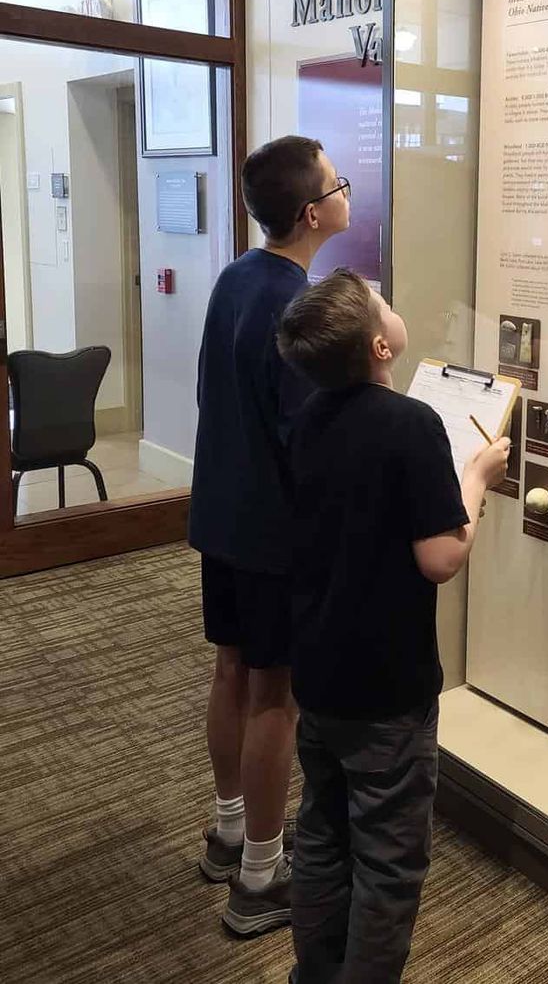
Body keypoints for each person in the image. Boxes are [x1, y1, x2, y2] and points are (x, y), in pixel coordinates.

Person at [276, 270, 509, 983]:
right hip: (386, 689)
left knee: (321, 832)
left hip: (319, 672)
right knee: (388, 860)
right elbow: (441, 557)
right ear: (381, 345)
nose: (391, 306)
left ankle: (316, 973)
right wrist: (478, 478)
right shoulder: (412, 425)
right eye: (383, 305)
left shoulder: (307, 418)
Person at [189, 135, 351, 936]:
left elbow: (213, 395)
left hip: (221, 518)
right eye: (337, 183)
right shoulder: (297, 305)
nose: (345, 191)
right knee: (274, 698)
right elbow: (306, 440)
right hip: (270, 537)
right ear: (312, 213)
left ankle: (228, 831)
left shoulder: (235, 277)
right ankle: (260, 874)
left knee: (229, 671)